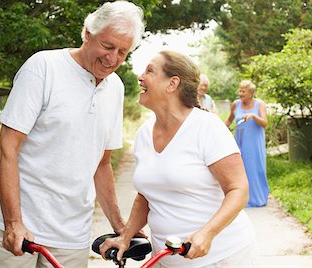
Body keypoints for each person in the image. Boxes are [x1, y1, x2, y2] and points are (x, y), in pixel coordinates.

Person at [0, 0, 145, 267]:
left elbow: (101, 164)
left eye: (122, 52)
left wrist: (121, 226)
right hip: (17, 227)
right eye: (107, 46)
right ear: (88, 34)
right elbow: (7, 148)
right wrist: (13, 223)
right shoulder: (43, 67)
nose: (112, 58)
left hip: (71, 235)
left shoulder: (115, 88)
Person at [100, 51, 258, 267]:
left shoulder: (207, 127)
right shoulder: (144, 134)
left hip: (220, 257)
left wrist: (207, 233)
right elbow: (147, 195)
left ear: (172, 83)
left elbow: (239, 190)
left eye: (150, 71)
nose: (140, 77)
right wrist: (126, 236)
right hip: (164, 259)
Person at [225, 80, 269, 207]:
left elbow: (265, 123)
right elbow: (229, 120)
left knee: (255, 169)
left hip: (254, 142)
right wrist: (220, 129)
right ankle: (240, 199)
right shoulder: (236, 104)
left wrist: (253, 116)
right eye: (239, 91)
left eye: (243, 91)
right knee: (239, 170)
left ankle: (257, 198)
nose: (240, 93)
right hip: (238, 140)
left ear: (251, 93)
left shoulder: (260, 104)